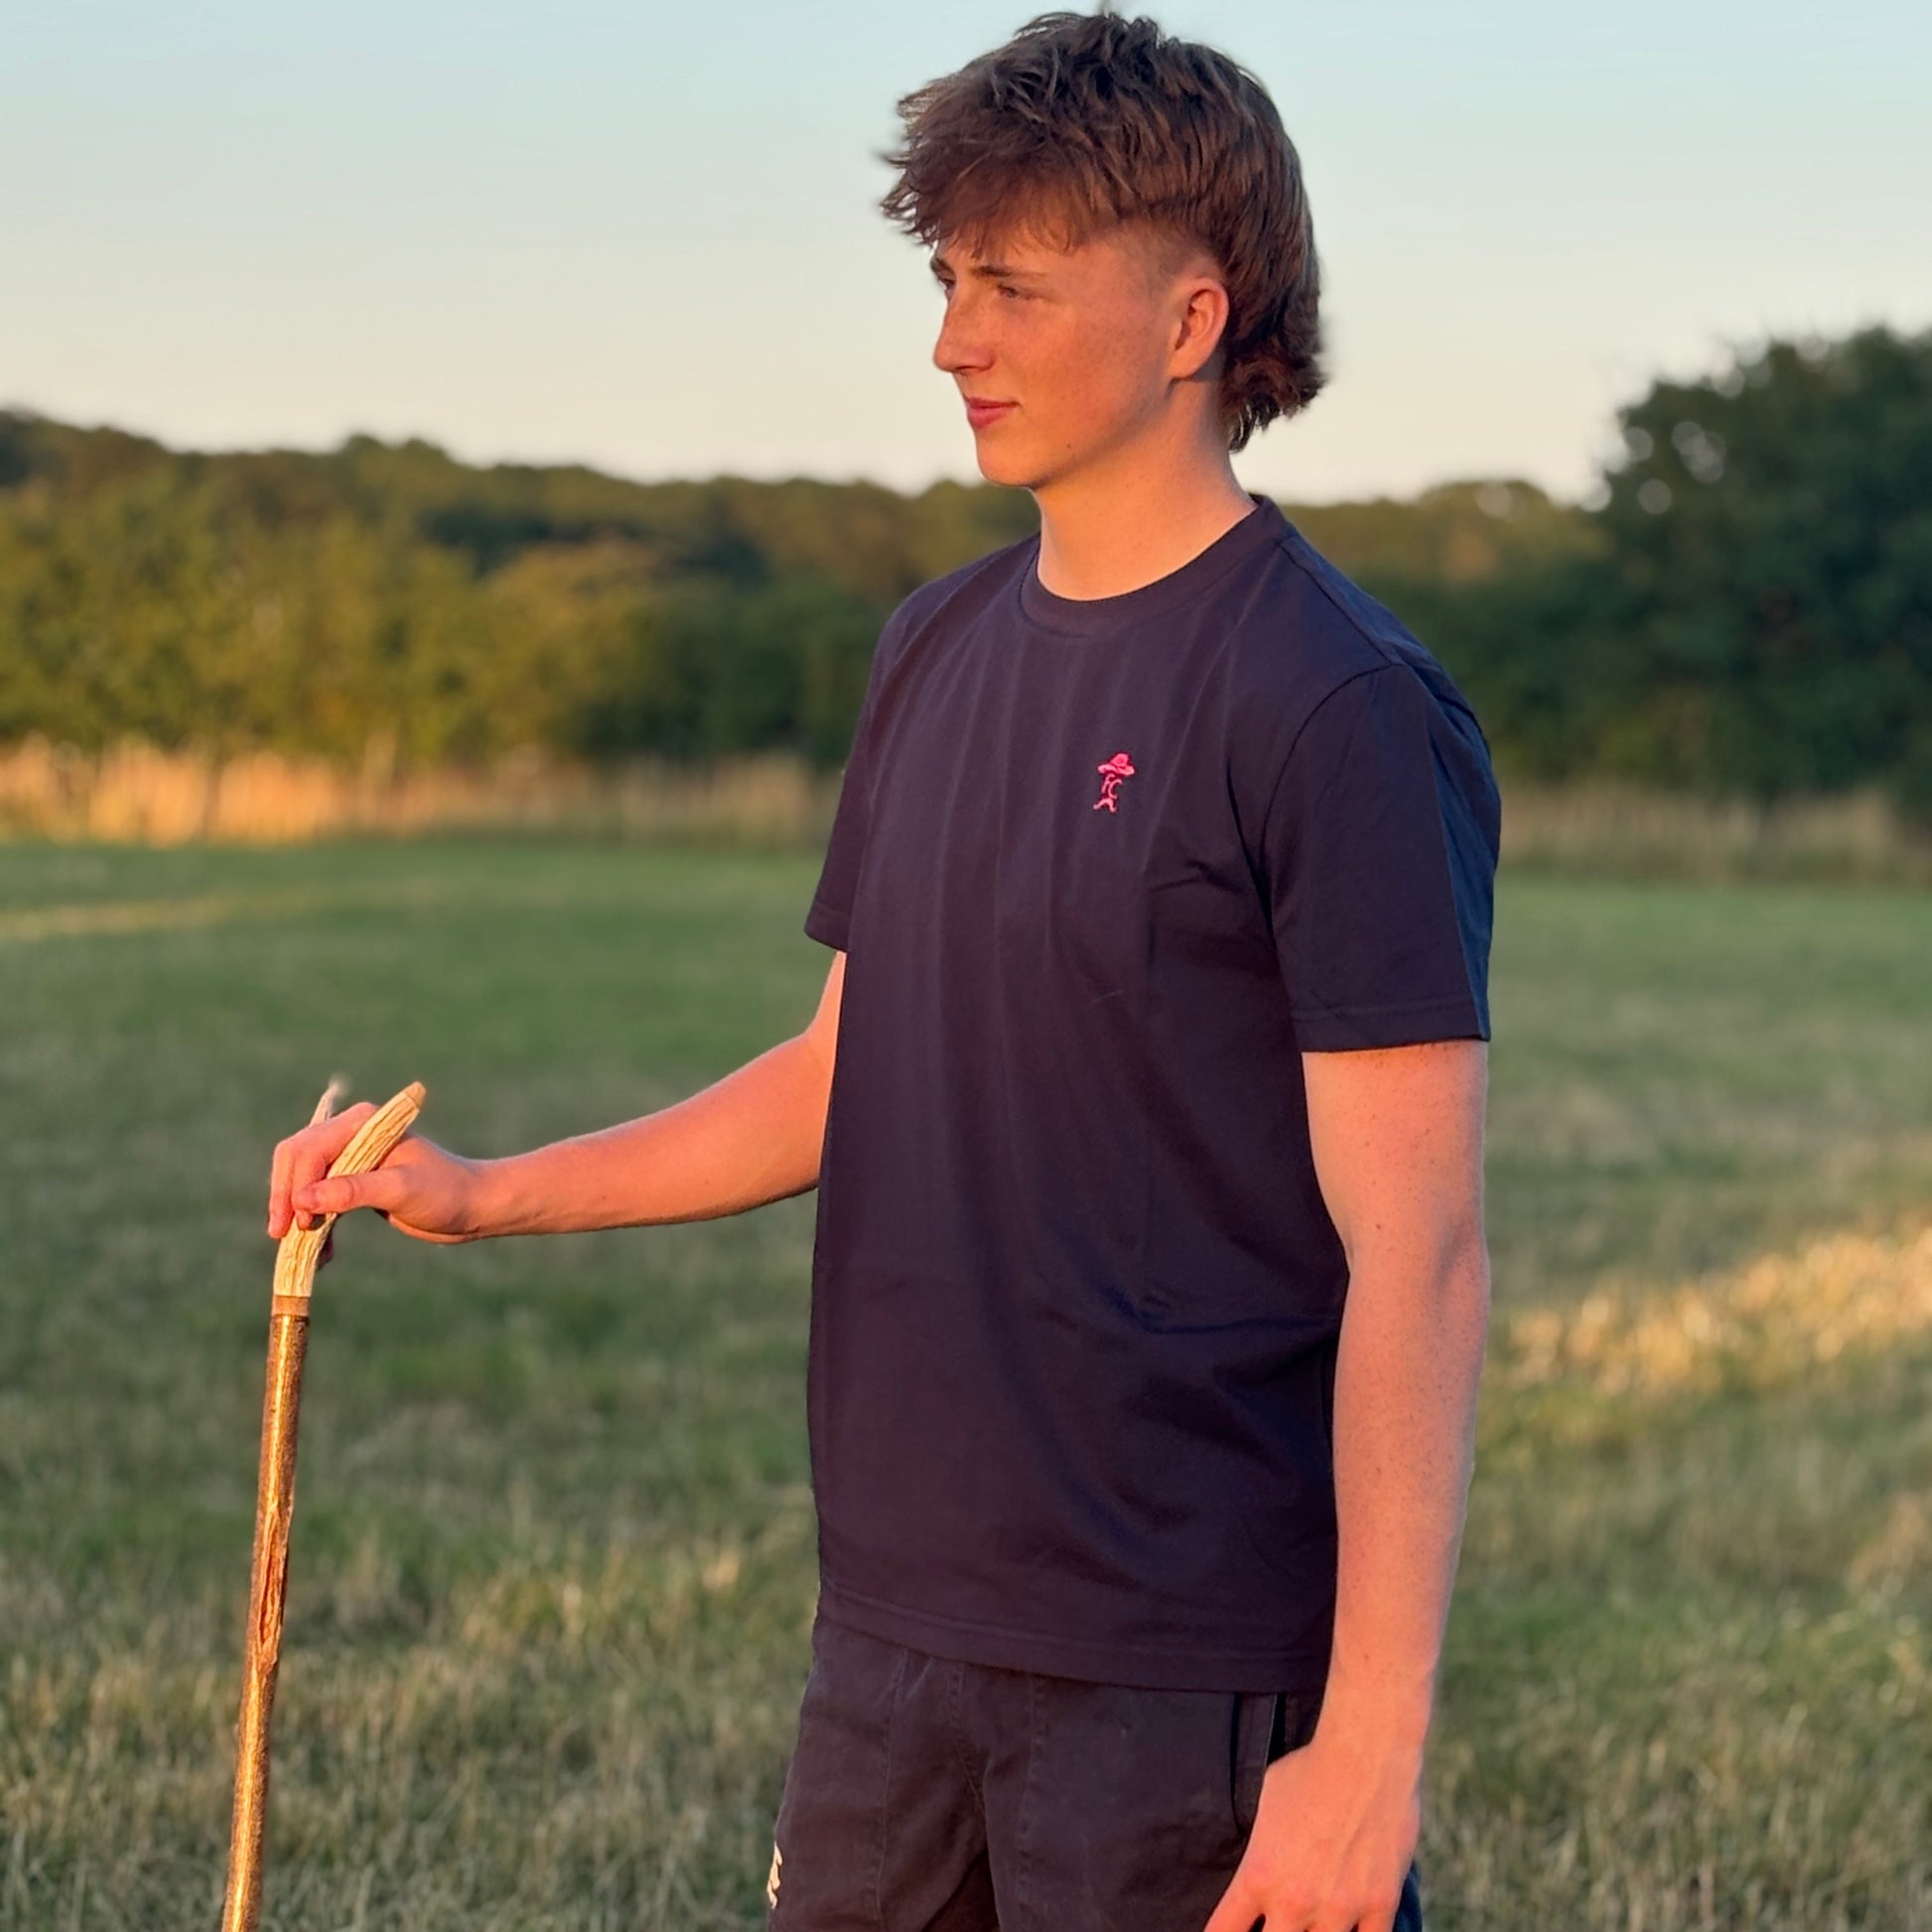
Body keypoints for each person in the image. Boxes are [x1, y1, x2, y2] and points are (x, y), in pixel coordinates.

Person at [266, 9, 1499, 1929]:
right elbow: (850, 1071)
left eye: (1011, 284)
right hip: (894, 1633)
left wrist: (1367, 1752)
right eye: (945, 279)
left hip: (1185, 1670)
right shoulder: (932, 647)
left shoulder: (1330, 702)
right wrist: (481, 1193)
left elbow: (1418, 1254)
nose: (952, 340)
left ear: (1191, 319)